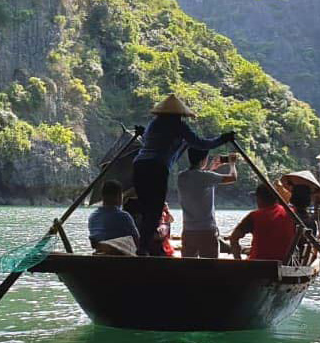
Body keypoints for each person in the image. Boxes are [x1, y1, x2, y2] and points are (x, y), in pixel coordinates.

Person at [132, 94, 233, 255]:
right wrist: (222, 139)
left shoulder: (153, 124)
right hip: (157, 166)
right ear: (179, 114)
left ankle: (143, 247)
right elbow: (201, 144)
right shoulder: (178, 125)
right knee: (156, 208)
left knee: (146, 208)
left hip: (139, 164)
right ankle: (143, 248)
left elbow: (149, 143)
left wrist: (142, 133)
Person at [177, 149, 237, 258]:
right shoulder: (207, 177)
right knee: (210, 268)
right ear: (204, 160)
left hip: (188, 230)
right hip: (207, 230)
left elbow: (198, 179)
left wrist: (211, 169)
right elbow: (233, 177)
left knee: (188, 268)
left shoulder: (181, 176)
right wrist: (232, 164)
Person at [229, 184, 296, 262]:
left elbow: (233, 238)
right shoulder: (292, 213)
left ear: (259, 198)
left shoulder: (254, 216)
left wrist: (238, 261)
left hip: (258, 265)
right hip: (284, 264)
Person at [88, 180, 140, 251]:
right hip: (121, 257)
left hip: (100, 255)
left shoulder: (92, 217)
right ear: (119, 196)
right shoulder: (124, 216)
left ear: (102, 196)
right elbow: (137, 241)